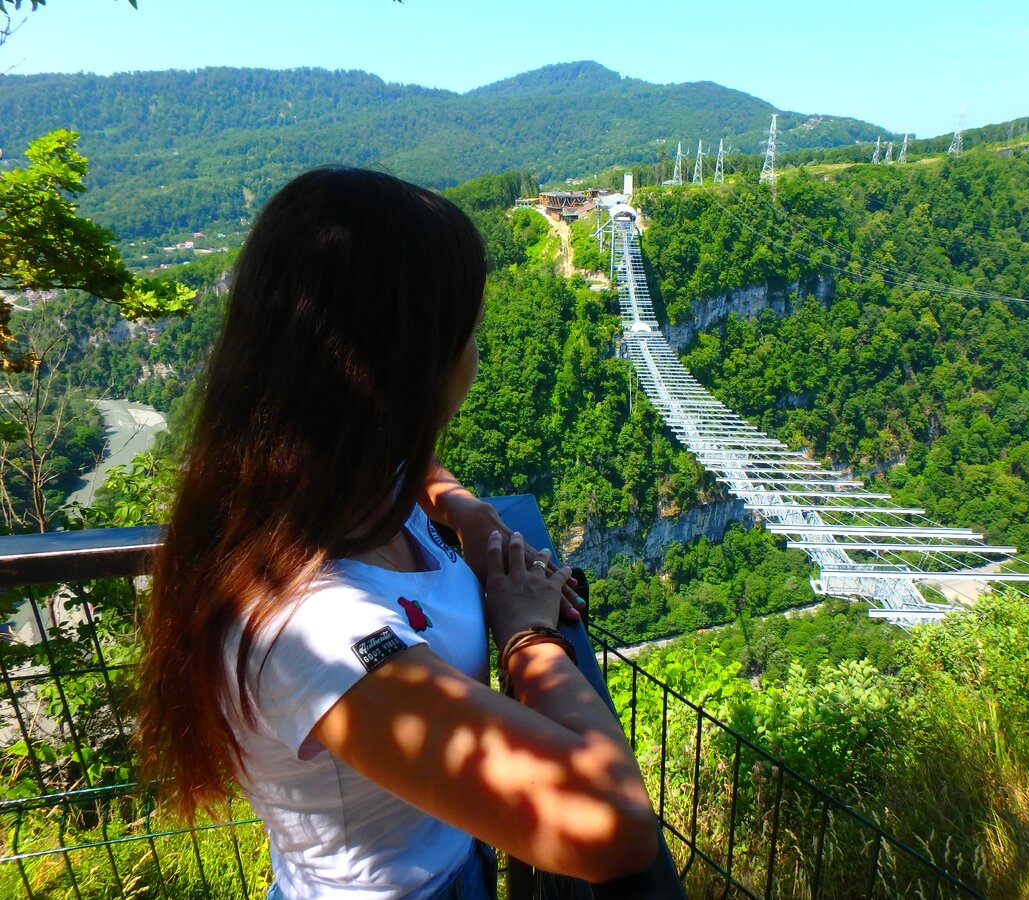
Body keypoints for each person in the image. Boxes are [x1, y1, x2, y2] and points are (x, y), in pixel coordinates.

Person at [138, 168, 659, 899]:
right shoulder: (310, 628)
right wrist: (527, 636)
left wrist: (469, 515)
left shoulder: (329, 485)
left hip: (455, 857)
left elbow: (418, 473)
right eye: (468, 332)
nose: (477, 354)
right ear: (408, 363)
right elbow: (613, 829)